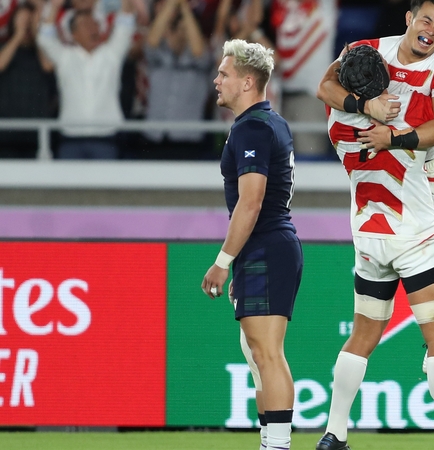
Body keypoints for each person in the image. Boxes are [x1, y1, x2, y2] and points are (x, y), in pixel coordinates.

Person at [321, 0, 434, 398]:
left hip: (433, 166)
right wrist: (365, 105)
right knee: (428, 265)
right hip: (396, 170)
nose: (431, 30)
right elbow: (325, 87)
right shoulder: (369, 50)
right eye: (426, 20)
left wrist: (400, 130)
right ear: (409, 19)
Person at [201, 39, 303, 450]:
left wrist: (223, 261)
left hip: (265, 246)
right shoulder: (268, 122)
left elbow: (251, 200)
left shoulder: (253, 127)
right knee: (257, 356)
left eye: (223, 74)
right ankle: (269, 441)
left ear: (247, 81)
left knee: (267, 354)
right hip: (266, 246)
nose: (216, 80)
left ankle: (277, 445)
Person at [36, 0, 136, 159]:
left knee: (106, 184)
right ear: (73, 34)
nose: (92, 28)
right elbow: (44, 38)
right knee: (69, 184)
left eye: (95, 24)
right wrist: (54, 6)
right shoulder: (65, 57)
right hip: (71, 137)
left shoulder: (111, 55)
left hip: (106, 136)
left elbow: (125, 25)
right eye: (85, 25)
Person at [141, 0, 213, 159]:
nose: (182, 35)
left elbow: (198, 51)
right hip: (154, 138)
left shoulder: (200, 63)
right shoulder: (158, 58)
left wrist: (185, 10)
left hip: (188, 140)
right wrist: (173, 3)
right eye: (177, 30)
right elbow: (151, 41)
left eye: (186, 31)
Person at [270, 0, 337, 159]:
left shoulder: (323, 5)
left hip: (311, 95)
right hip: (280, 94)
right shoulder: (280, 5)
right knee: (280, 165)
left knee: (310, 163)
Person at [0, 0, 56, 158]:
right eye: (23, 22)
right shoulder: (5, 48)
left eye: (30, 22)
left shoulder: (43, 52)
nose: (26, 27)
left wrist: (37, 33)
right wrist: (18, 34)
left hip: (37, 134)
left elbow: (48, 66)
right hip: (5, 134)